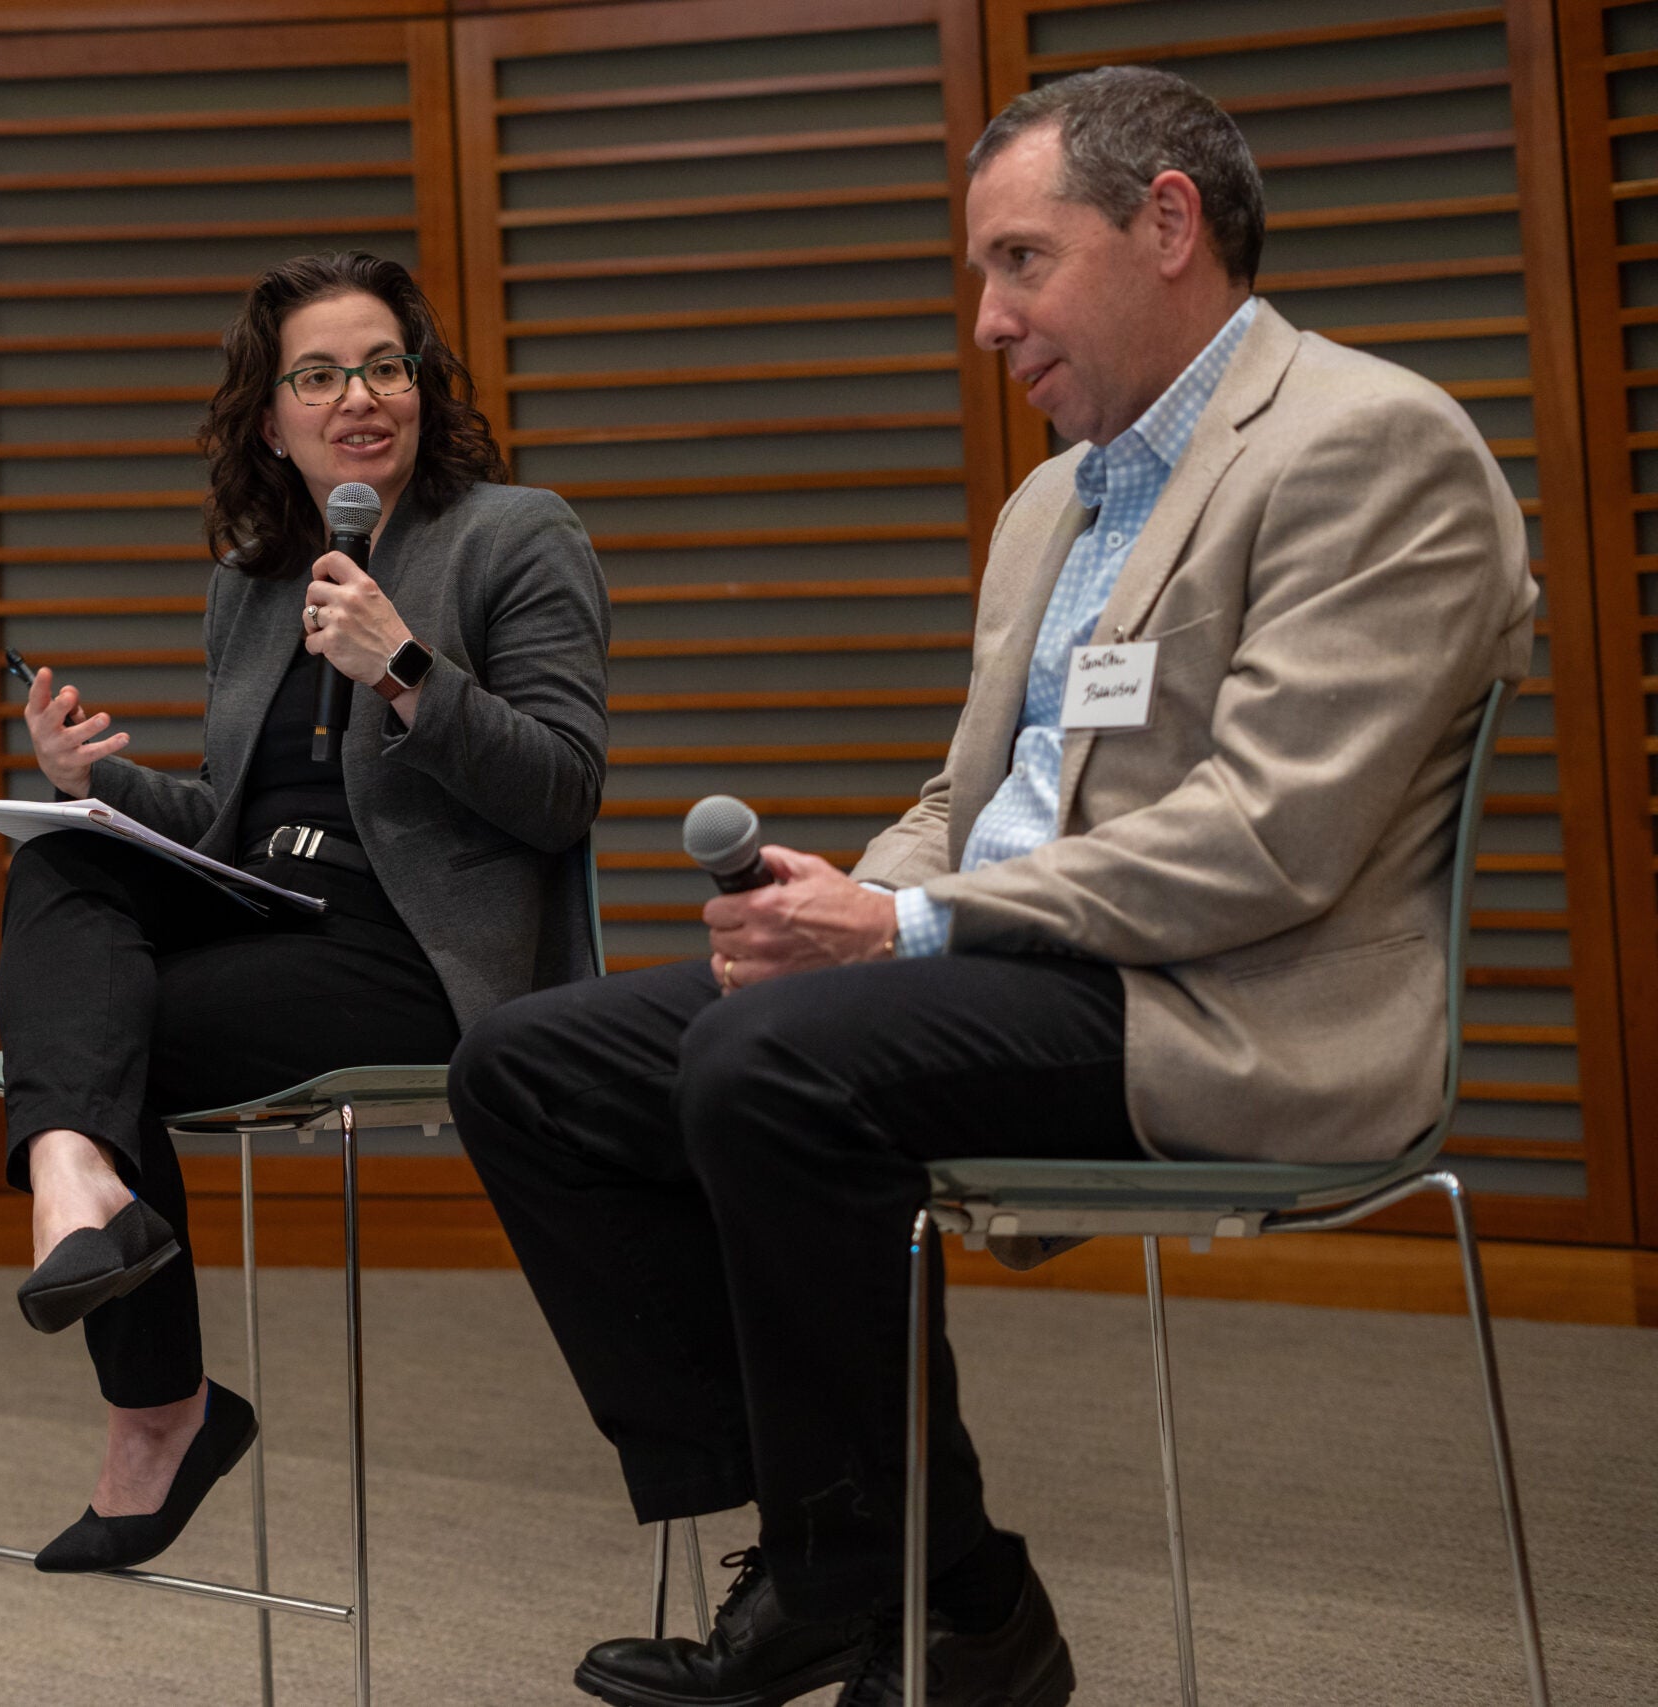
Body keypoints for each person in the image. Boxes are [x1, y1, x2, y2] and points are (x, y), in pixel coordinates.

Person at [447, 66, 1535, 1707]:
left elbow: (1269, 835)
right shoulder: (1052, 499)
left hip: (1218, 1004)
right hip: (988, 966)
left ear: (1166, 223)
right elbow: (976, 795)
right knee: (530, 1069)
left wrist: (893, 929)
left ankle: (895, 1582)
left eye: (1021, 261)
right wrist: (850, 897)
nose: (988, 318)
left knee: (763, 1063)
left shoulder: (1370, 447)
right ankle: (877, 1565)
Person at [0, 250, 609, 1572]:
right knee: (59, 858)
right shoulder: (253, 581)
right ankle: (80, 1180)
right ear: (269, 418)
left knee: (109, 1039)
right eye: (319, 375)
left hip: (410, 950)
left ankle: (148, 1379)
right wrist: (91, 780)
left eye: (385, 364)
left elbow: (563, 792)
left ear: (424, 386)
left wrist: (403, 665)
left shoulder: (517, 533)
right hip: (262, 907)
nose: (360, 396)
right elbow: (233, 808)